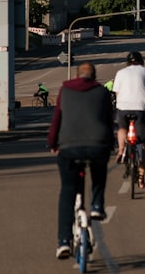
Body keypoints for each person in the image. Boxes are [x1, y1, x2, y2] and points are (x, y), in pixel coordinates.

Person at [47, 62, 113, 259]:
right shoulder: (102, 92)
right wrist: (109, 144)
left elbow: (57, 119)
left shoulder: (65, 91)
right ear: (94, 76)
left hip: (69, 147)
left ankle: (64, 241)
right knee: (100, 172)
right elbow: (109, 120)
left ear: (77, 75)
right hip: (97, 144)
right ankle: (97, 206)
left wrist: (52, 143)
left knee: (67, 191)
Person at [112, 51, 145, 187]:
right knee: (143, 144)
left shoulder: (120, 72)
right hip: (140, 108)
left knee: (122, 128)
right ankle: (141, 179)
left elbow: (116, 92)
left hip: (123, 107)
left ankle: (120, 150)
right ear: (141, 61)